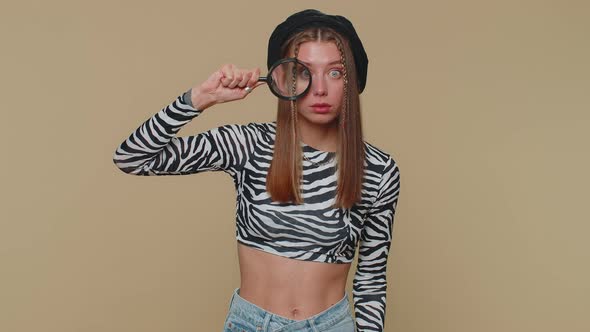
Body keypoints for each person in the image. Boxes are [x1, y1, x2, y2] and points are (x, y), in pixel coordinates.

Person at [113, 9, 400, 332]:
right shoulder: (248, 144)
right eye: (304, 73)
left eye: (334, 73)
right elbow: (132, 157)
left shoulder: (378, 169)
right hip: (252, 325)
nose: (319, 88)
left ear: (352, 81)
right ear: (283, 80)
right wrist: (200, 98)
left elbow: (372, 278)